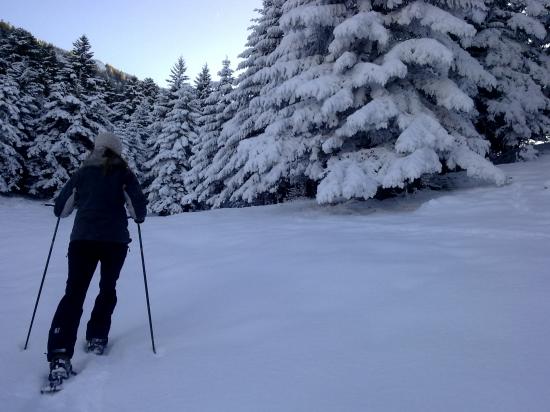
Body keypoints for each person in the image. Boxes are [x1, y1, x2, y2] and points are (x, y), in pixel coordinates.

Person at [46, 131, 147, 385]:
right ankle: (97, 337)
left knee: (74, 293)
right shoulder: (124, 173)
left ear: (96, 150)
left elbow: (61, 210)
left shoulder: (82, 173)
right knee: (107, 288)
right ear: (117, 151)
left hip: (83, 240)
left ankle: (59, 355)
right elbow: (138, 212)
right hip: (114, 242)